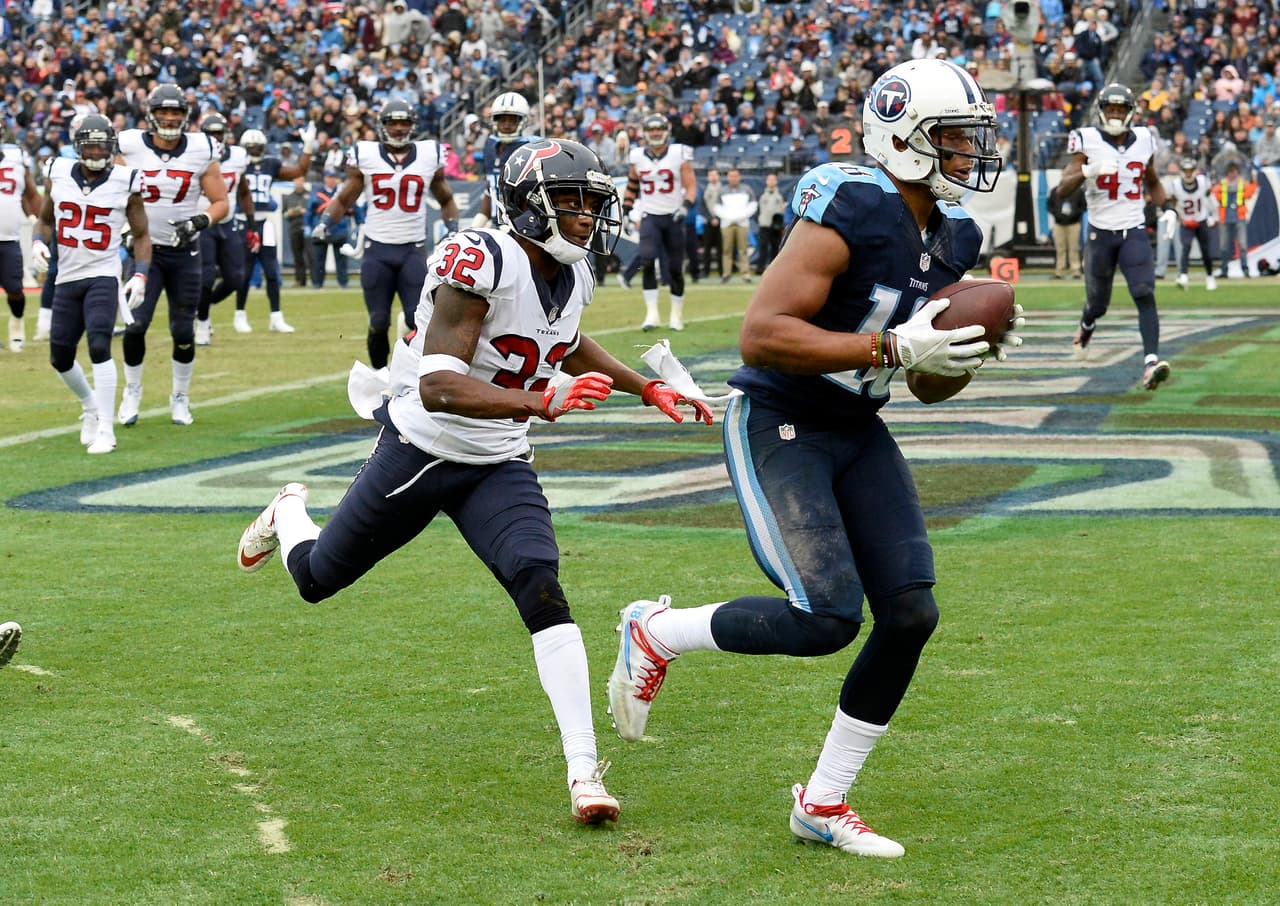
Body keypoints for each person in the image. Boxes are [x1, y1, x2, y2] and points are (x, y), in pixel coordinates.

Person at [606, 58, 1021, 859]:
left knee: (911, 613)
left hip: (857, 424)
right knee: (825, 616)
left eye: (974, 137)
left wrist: (965, 352)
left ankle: (823, 803)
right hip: (780, 417)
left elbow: (926, 386)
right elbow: (761, 334)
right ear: (904, 138)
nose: (972, 153)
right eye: (955, 137)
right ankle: (658, 630)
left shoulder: (957, 233)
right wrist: (892, 345)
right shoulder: (850, 202)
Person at [237, 139, 713, 825]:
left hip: (498, 460)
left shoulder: (573, 272)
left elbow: (564, 340)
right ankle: (287, 512)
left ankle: (584, 771)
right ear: (528, 208)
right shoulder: (480, 258)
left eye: (591, 202)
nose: (586, 216)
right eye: (570, 201)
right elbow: (439, 386)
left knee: (540, 583)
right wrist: (539, 401)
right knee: (317, 578)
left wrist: (645, 387)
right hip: (423, 450)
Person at [310, 98, 459, 371]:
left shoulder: (429, 154)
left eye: (404, 123)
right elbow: (344, 198)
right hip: (377, 250)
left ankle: (412, 377)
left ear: (413, 126)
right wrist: (325, 222)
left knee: (418, 319)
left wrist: (452, 229)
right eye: (393, 123)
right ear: (383, 126)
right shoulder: (365, 154)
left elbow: (446, 198)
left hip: (412, 249)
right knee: (378, 321)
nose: (399, 128)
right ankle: (380, 375)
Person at [32, 114, 151, 454]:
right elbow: (44, 220)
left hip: (103, 274)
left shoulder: (126, 180)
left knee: (99, 344)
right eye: (90, 146)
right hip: (66, 276)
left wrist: (140, 273)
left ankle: (106, 431)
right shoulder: (58, 172)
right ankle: (90, 405)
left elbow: (142, 234)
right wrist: (37, 242)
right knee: (59, 356)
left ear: (112, 147)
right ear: (78, 147)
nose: (97, 152)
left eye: (102, 146)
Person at [116, 82, 228, 426]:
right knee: (135, 325)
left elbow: (221, 202)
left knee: (182, 331)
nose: (168, 117)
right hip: (144, 252)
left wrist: (198, 221)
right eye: (163, 111)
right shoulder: (129, 144)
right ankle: (132, 391)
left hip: (184, 252)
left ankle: (180, 396)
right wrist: (123, 227)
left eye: (175, 112)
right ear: (151, 114)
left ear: (185, 115)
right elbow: (112, 190)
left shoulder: (201, 148)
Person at [1059, 83, 1175, 391]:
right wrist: (1088, 171)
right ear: (1101, 111)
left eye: (1120, 109)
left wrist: (1168, 207)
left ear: (1130, 113)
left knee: (1144, 292)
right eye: (1110, 109)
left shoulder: (1145, 139)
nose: (1114, 114)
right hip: (1101, 233)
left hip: (1133, 229)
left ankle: (1151, 363)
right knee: (1098, 304)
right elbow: (1061, 190)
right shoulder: (1087, 139)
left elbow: (1152, 180)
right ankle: (1086, 325)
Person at [619, 114, 696, 331]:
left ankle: (676, 315)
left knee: (675, 268)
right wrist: (626, 210)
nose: (655, 133)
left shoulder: (678, 153)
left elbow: (691, 186)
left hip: (673, 216)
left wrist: (685, 206)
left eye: (659, 129)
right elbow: (632, 185)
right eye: (651, 129)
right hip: (650, 215)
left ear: (666, 130)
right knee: (647, 260)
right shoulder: (637, 156)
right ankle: (651, 315)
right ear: (645, 132)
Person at [236, 125, 315, 332]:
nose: (254, 150)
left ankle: (276, 317)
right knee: (244, 272)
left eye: (258, 146)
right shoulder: (236, 164)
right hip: (243, 223)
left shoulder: (270, 164)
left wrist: (308, 146)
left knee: (272, 271)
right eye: (251, 147)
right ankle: (239, 314)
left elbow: (300, 171)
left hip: (265, 223)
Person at [193, 113, 254, 346]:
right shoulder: (195, 157)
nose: (215, 138)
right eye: (211, 134)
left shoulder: (238, 156)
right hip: (204, 222)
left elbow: (244, 192)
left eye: (219, 134)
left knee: (236, 278)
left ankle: (205, 305)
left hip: (228, 223)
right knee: (206, 277)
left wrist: (251, 225)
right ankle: (202, 324)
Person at [0, 129, 41, 351]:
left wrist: (38, 221)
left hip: (9, 239)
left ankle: (17, 324)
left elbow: (29, 193)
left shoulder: (15, 158)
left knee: (15, 289)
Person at [471, 91, 534, 229]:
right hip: (496, 224)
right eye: (502, 119)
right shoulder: (490, 145)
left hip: (521, 227)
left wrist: (517, 225)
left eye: (512, 120)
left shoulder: (530, 148)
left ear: (523, 121)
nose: (506, 124)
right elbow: (491, 189)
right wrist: (477, 224)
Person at [1172, 157, 1217, 290]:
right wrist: (1181, 220)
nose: (1188, 173)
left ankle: (1210, 276)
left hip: (1201, 219)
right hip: (1186, 222)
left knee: (1205, 250)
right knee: (1185, 248)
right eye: (1186, 170)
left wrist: (1214, 216)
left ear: (1194, 171)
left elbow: (1210, 198)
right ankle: (1183, 276)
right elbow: (1173, 205)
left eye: (1190, 170)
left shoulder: (1203, 181)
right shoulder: (1176, 185)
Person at [305, 169, 356, 289]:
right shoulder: (317, 193)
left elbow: (355, 208)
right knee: (318, 260)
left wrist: (360, 222)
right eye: (329, 177)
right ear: (324, 179)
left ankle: (343, 283)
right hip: (320, 230)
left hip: (339, 229)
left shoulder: (342, 192)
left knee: (341, 259)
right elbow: (309, 211)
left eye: (333, 177)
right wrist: (307, 226)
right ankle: (317, 283)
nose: (331, 180)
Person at [712, 167, 757, 283]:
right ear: (728, 177)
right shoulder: (722, 191)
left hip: (743, 224)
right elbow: (716, 207)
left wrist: (742, 216)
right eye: (731, 176)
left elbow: (753, 205)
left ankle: (746, 274)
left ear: (739, 177)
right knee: (727, 250)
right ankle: (726, 274)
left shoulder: (747, 189)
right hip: (727, 224)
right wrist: (728, 217)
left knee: (743, 250)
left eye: (735, 176)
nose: (733, 178)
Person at [1213, 161, 1257, 279]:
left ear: (1237, 172)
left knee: (1243, 245)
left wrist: (1253, 182)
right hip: (1225, 217)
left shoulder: (1242, 183)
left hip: (1239, 216)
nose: (1232, 174)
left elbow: (1249, 193)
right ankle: (1224, 270)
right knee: (1224, 246)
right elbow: (1215, 194)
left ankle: (1245, 269)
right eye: (1230, 172)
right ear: (1227, 173)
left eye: (1234, 172)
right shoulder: (1222, 184)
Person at [1047, 180, 1085, 279]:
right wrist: (1057, 215)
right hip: (1059, 224)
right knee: (1060, 248)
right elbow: (1049, 205)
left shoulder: (1078, 191)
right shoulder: (1055, 191)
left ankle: (1076, 271)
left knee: (1074, 248)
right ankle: (1059, 271)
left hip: (1074, 224)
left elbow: (1083, 206)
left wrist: (1075, 215)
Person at [754, 172, 787, 274]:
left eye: (773, 179)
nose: (771, 182)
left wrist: (780, 223)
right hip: (764, 225)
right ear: (766, 181)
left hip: (776, 226)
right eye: (769, 180)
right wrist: (760, 220)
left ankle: (775, 270)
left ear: (776, 181)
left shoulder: (781, 194)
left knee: (775, 247)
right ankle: (760, 269)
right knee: (763, 247)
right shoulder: (761, 194)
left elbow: (785, 209)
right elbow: (756, 210)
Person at [282, 177, 311, 288]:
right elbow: (284, 215)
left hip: (308, 229)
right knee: (297, 256)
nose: (299, 183)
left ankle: (316, 280)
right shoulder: (289, 197)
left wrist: (305, 212)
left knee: (311, 255)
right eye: (297, 180)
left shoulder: (310, 195)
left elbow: (315, 211)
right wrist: (290, 213)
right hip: (294, 229)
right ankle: (299, 280)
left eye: (301, 180)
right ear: (293, 182)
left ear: (304, 182)